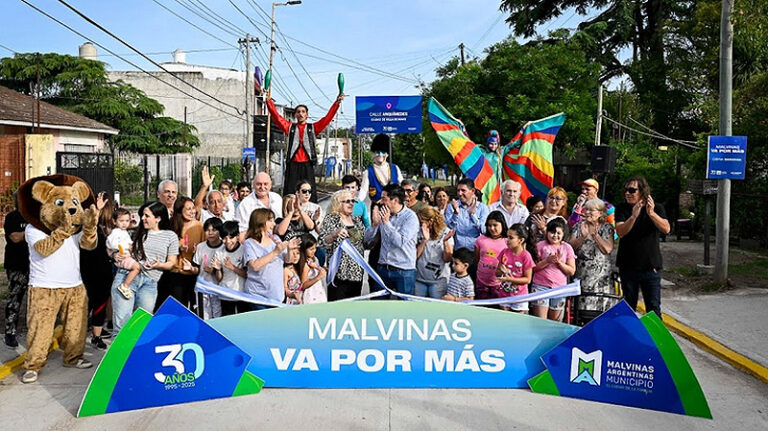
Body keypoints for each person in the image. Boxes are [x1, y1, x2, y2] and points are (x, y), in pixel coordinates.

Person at [112, 201, 179, 334]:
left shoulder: (170, 236)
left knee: (142, 326)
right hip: (127, 278)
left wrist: (159, 265)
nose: (142, 218)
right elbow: (118, 249)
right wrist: (115, 255)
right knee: (122, 327)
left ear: (158, 218)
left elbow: (171, 262)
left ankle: (135, 354)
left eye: (147, 216)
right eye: (143, 215)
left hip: (150, 283)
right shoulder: (135, 233)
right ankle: (122, 354)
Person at [267, 94, 344, 203]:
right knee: (290, 192)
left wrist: (337, 103)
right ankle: (289, 214)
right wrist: (268, 101)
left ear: (307, 115)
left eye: (303, 112)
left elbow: (327, 118)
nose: (301, 114)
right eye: (298, 112)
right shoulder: (289, 127)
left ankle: (311, 214)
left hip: (307, 164)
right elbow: (276, 116)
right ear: (295, 115)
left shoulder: (312, 128)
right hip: (293, 164)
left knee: (309, 192)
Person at [615, 176, 670, 317]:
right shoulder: (622, 208)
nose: (628, 193)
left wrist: (651, 214)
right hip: (628, 266)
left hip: (650, 267)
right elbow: (620, 232)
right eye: (626, 190)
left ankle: (656, 339)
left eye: (632, 190)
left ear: (642, 192)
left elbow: (666, 229)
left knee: (653, 308)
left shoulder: (656, 208)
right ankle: (628, 338)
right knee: (628, 308)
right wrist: (633, 216)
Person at [364, 184, 419, 295]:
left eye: (384, 199)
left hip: (403, 271)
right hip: (383, 268)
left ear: (395, 200)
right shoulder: (383, 214)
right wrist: (374, 225)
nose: (381, 202)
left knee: (404, 308)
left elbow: (400, 242)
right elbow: (367, 239)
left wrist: (386, 223)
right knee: (379, 306)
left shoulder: (410, 218)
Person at [569, 199, 618, 321]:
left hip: (601, 279)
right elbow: (570, 247)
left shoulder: (607, 228)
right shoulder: (578, 226)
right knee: (580, 314)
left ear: (601, 213)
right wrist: (583, 236)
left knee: (600, 316)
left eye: (592, 210)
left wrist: (596, 236)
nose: (588, 212)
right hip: (582, 275)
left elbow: (607, 249)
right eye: (586, 209)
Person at [243, 208, 301, 308]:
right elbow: (255, 266)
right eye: (270, 220)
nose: (273, 224)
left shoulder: (275, 239)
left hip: (277, 297)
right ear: (260, 221)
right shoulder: (249, 243)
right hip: (257, 297)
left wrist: (290, 250)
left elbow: (288, 260)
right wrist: (275, 252)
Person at [155, 197, 204, 312]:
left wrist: (198, 251)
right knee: (177, 308)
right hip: (174, 273)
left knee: (194, 308)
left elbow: (205, 249)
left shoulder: (200, 226)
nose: (192, 212)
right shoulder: (171, 226)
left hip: (193, 272)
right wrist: (176, 246)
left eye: (193, 208)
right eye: (188, 209)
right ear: (179, 210)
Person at [80, 193, 114, 350]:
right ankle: (93, 335)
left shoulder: (111, 229)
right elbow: (90, 228)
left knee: (99, 303)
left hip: (100, 269)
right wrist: (97, 210)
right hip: (91, 268)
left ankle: (97, 334)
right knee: (93, 303)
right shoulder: (88, 226)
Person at [319, 190, 366, 300]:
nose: (351, 204)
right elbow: (322, 242)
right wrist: (334, 235)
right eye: (347, 201)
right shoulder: (331, 219)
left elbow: (364, 241)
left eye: (352, 201)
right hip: (338, 274)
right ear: (338, 203)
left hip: (356, 273)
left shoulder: (357, 220)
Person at [531, 218, 576, 321]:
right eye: (552, 232)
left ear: (563, 234)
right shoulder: (540, 246)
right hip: (541, 286)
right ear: (547, 232)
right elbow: (533, 268)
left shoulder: (567, 248)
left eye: (558, 233)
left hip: (559, 288)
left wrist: (559, 262)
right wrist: (547, 261)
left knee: (555, 321)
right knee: (540, 321)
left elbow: (571, 270)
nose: (555, 235)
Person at [3, 196, 29, 348]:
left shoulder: (35, 218)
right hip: (16, 265)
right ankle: (10, 332)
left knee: (35, 301)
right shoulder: (12, 217)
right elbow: (15, 237)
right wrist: (31, 232)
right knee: (15, 299)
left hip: (34, 266)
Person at [187, 217, 225, 319]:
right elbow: (197, 268)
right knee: (204, 316)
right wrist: (191, 268)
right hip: (202, 288)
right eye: (208, 230)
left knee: (217, 315)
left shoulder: (224, 247)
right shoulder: (201, 247)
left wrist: (214, 271)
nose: (210, 233)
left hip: (218, 288)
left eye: (214, 230)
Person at [414, 206, 454, 299]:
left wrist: (445, 242)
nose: (420, 224)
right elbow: (414, 256)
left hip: (438, 281)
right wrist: (424, 240)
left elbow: (447, 259)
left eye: (422, 222)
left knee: (437, 309)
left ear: (430, 222)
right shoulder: (418, 231)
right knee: (417, 308)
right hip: (419, 279)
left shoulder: (446, 232)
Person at [496, 223, 536, 313]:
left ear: (520, 240)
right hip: (504, 295)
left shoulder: (526, 256)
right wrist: (501, 271)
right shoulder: (504, 252)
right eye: (507, 237)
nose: (507, 240)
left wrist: (509, 279)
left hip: (520, 296)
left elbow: (527, 279)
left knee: (519, 322)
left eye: (511, 238)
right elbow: (497, 273)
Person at [444, 178, 490, 252]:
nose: (460, 193)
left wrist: (473, 216)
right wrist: (455, 214)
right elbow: (449, 228)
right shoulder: (452, 206)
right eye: (458, 190)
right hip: (458, 250)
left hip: (476, 251)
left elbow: (484, 230)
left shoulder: (482, 208)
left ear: (472, 191)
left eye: (463, 190)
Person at [106, 207, 142, 300]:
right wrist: (126, 247)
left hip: (126, 255)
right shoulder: (116, 232)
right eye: (121, 220)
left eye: (127, 220)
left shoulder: (124, 232)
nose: (124, 223)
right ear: (114, 221)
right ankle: (125, 285)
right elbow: (111, 243)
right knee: (137, 267)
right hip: (122, 256)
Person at [357, 134, 403, 204]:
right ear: (373, 154)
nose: (380, 155)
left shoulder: (395, 168)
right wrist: (357, 203)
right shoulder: (368, 171)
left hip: (394, 206)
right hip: (377, 207)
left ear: (387, 154)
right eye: (378, 152)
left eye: (383, 152)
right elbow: (363, 190)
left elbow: (402, 185)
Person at [474, 211, 508, 300]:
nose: (492, 228)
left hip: (499, 283)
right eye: (489, 225)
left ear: (502, 224)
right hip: (482, 282)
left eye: (495, 225)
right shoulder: (481, 240)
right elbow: (477, 258)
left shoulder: (507, 241)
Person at [218, 221, 248, 315]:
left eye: (231, 237)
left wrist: (232, 267)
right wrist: (217, 268)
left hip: (241, 294)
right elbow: (219, 278)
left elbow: (247, 274)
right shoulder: (219, 252)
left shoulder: (244, 250)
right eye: (224, 238)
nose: (228, 241)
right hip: (225, 294)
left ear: (238, 236)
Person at [298, 234, 327, 304]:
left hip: (319, 291)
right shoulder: (306, 265)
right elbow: (303, 285)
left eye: (315, 248)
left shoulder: (315, 258)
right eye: (311, 249)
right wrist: (318, 277)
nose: (314, 251)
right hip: (311, 295)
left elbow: (318, 268)